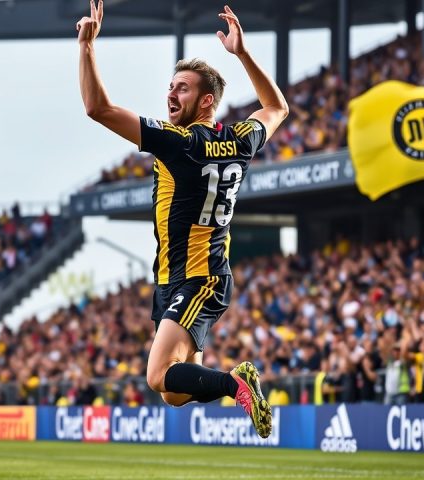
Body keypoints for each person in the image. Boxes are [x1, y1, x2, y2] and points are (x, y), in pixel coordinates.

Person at [77, 2, 288, 438]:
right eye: (171, 87)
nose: (171, 95)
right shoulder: (241, 139)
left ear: (207, 101)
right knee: (173, 392)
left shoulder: (179, 142)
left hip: (198, 276)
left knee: (157, 375)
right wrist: (243, 54)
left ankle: (235, 384)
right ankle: (232, 381)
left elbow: (98, 108)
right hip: (178, 277)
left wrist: (87, 47)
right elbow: (276, 107)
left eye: (183, 89)